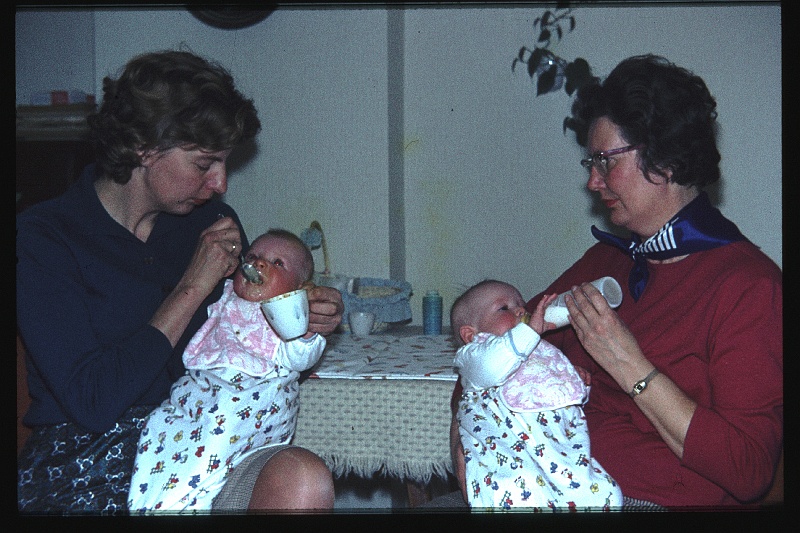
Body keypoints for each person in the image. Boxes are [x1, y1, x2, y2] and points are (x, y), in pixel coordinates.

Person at [441, 54, 782, 510]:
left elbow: (749, 472)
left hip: (644, 499)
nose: (591, 181)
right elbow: (491, 347)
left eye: (604, 161)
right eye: (590, 162)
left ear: (665, 160)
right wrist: (464, 444)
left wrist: (628, 365)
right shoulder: (609, 260)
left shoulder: (749, 288)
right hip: (539, 488)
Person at [17, 49, 342, 514]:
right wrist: (191, 288)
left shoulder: (212, 224)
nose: (221, 183)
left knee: (302, 478)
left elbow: (253, 340)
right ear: (143, 148)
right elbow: (91, 401)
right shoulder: (45, 238)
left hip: (207, 445)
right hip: (91, 461)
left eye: (225, 163)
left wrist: (306, 317)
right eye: (204, 163)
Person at [128, 229, 326, 513]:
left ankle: (182, 503)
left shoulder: (287, 319)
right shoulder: (223, 298)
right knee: (159, 427)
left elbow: (300, 356)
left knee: (213, 440)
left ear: (299, 288)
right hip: (200, 393)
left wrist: (303, 329)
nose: (259, 264)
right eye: (254, 257)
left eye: (277, 263)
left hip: (247, 403)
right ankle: (152, 502)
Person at [451, 280, 622, 511]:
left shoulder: (538, 347)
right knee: (518, 490)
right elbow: (496, 364)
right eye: (504, 308)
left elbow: (557, 391)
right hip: (508, 449)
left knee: (604, 492)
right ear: (470, 334)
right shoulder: (476, 355)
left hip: (558, 449)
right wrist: (530, 331)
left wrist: (571, 375)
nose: (520, 310)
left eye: (520, 304)